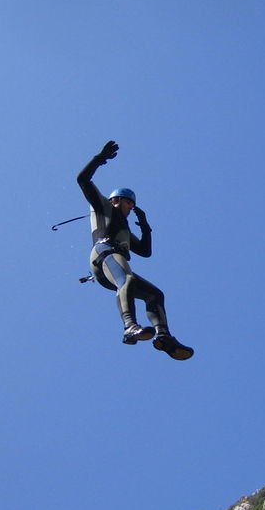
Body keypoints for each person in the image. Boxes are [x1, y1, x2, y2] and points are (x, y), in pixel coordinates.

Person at [76, 140, 194, 360]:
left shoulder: (125, 230)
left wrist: (146, 227)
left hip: (116, 261)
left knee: (155, 294)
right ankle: (129, 326)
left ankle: (164, 336)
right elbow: (82, 179)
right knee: (127, 280)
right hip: (103, 255)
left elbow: (145, 251)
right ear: (116, 200)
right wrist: (100, 159)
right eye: (129, 204)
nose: (132, 208)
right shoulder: (103, 208)